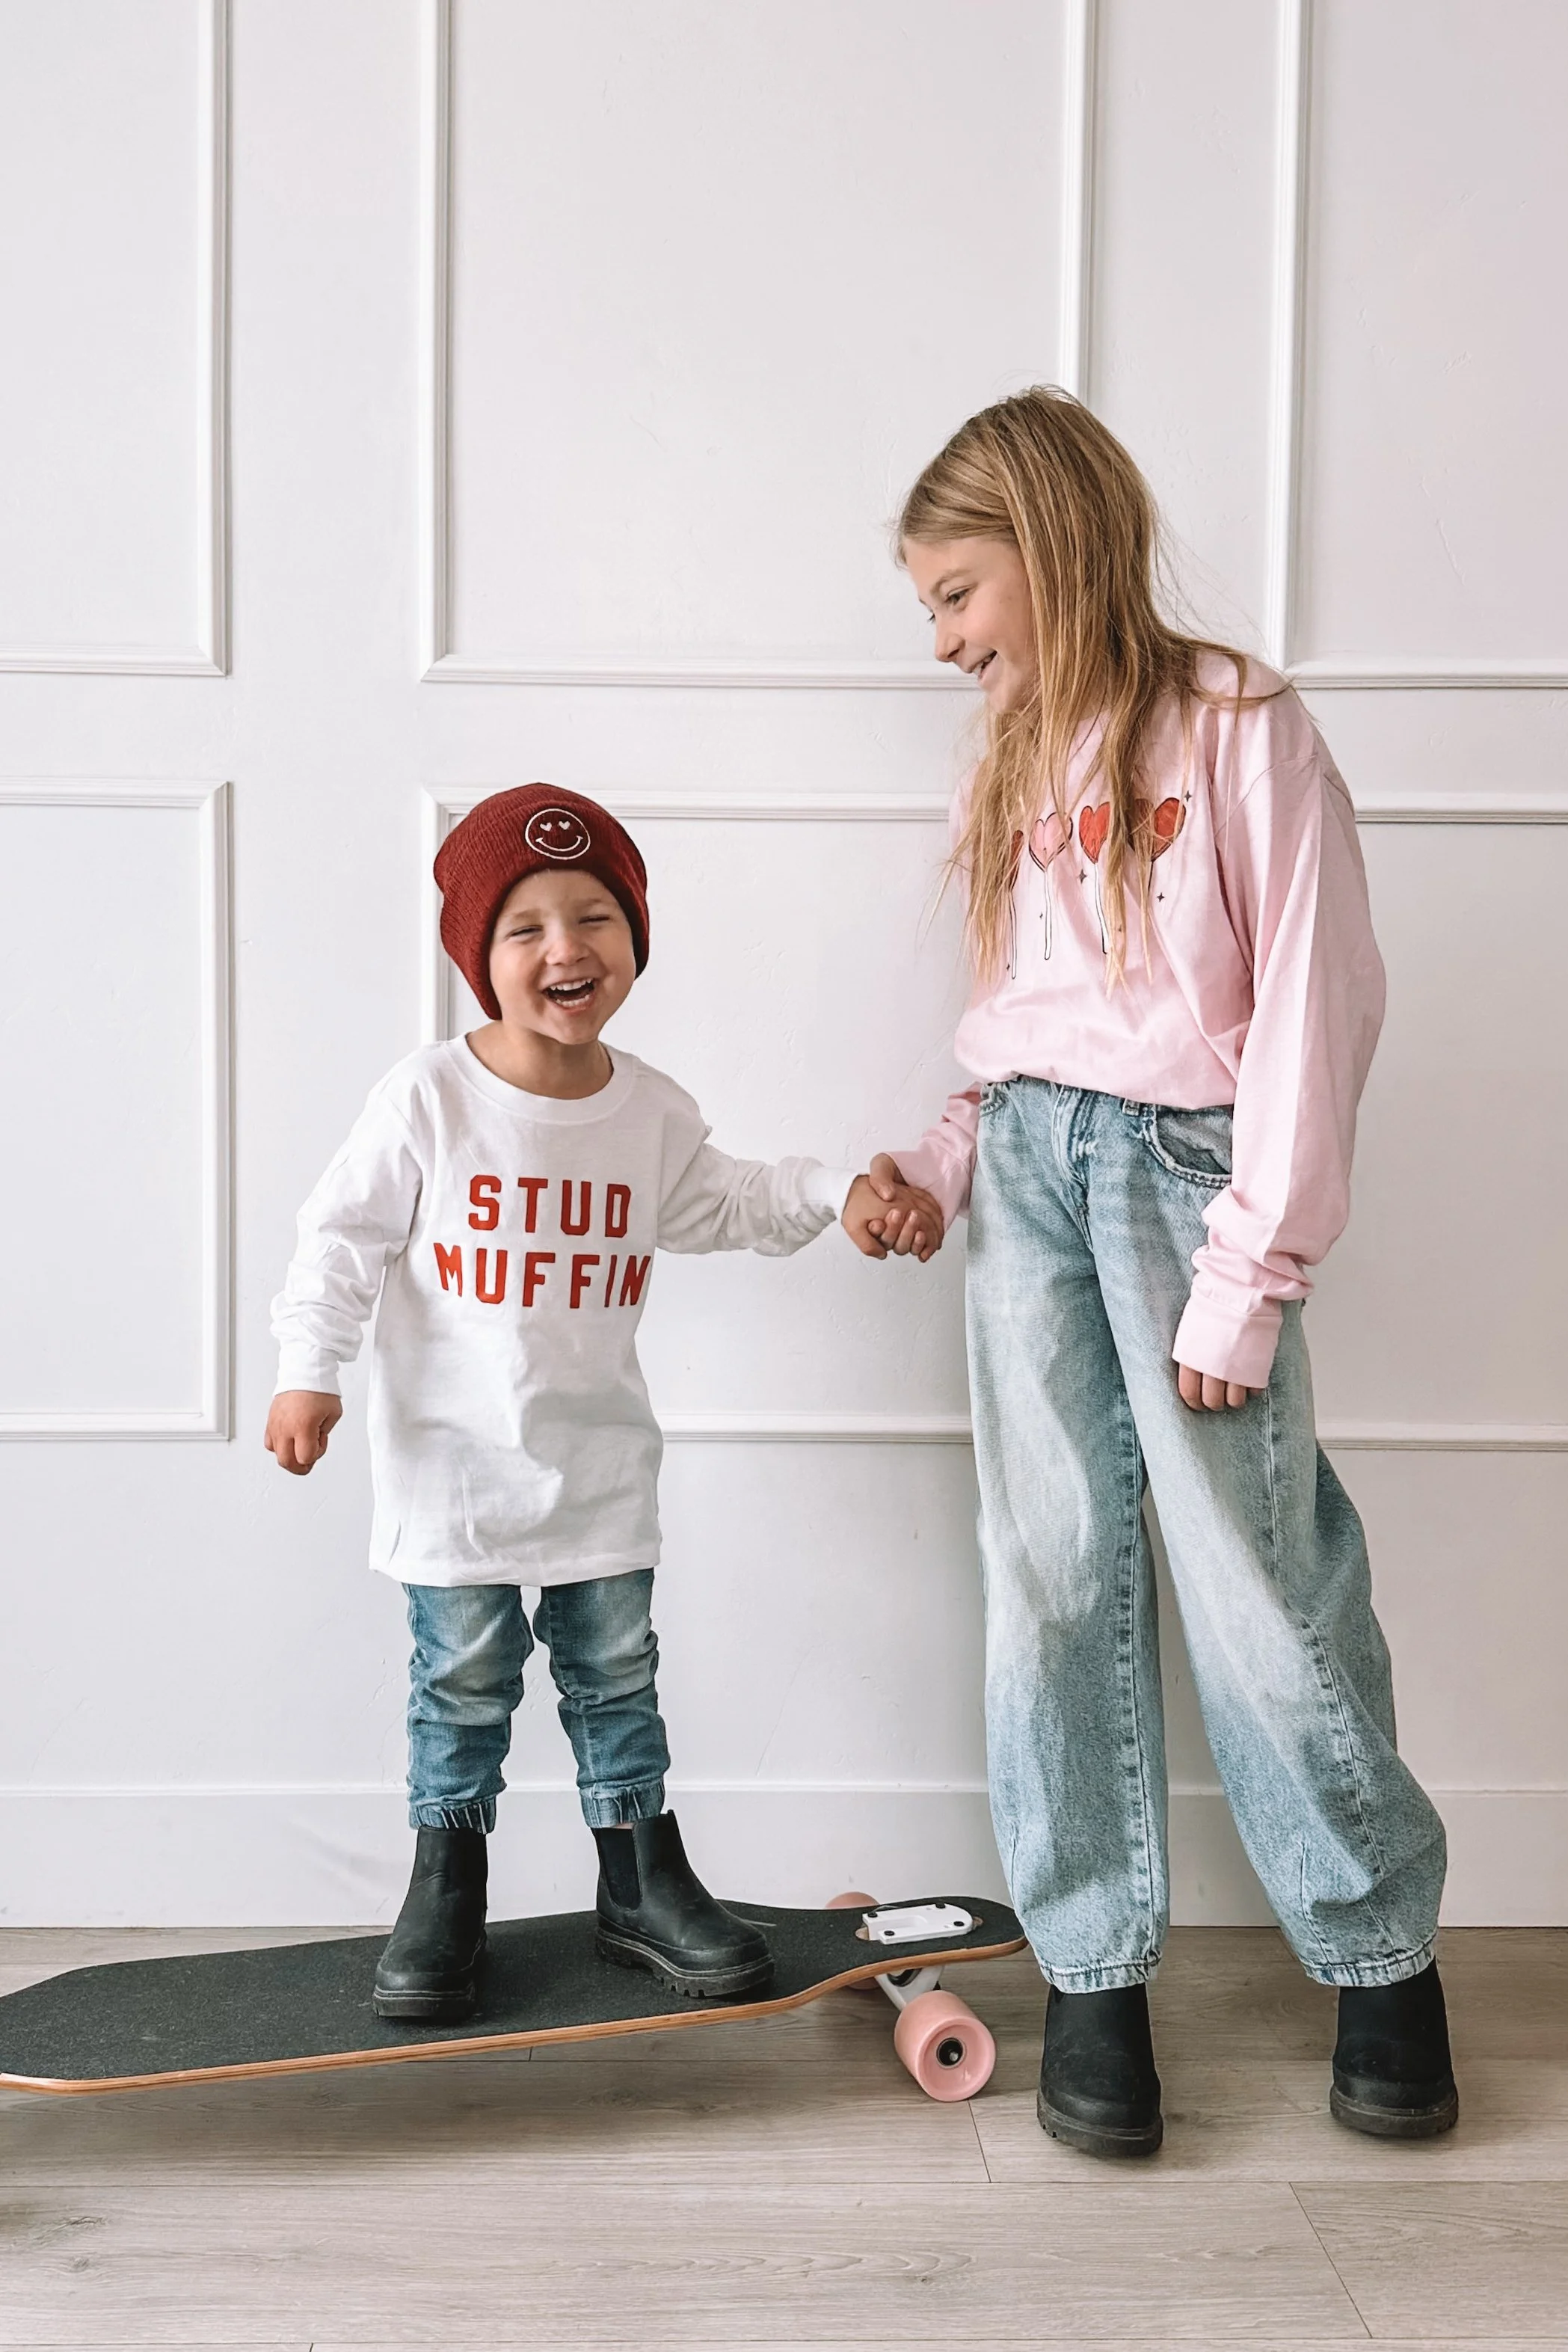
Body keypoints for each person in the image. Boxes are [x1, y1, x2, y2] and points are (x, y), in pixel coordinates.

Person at [868, 387, 1456, 2158]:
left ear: (1048, 550)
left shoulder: (1235, 729)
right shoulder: (1015, 758)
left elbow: (1309, 1006)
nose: (947, 641)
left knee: (1256, 1578)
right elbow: (1029, 1034)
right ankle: (1095, 1982)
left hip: (1185, 1187)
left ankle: (1380, 1962)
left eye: (957, 595)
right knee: (1050, 1579)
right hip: (1031, 1177)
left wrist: (1248, 1273)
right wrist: (933, 1162)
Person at [266, 784, 941, 2023]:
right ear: (479, 958)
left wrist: (842, 1193)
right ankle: (447, 1887)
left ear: (634, 938)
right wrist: (310, 1371)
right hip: (456, 1476)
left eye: (594, 919)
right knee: (463, 1684)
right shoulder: (428, 1100)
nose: (566, 950)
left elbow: (731, 1197)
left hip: (598, 1473)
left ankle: (640, 1881)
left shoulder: (651, 1111)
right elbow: (339, 1242)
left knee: (617, 1680)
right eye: (525, 929)